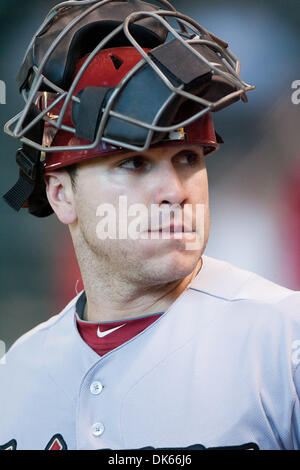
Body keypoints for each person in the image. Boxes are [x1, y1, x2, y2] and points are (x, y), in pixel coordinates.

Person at [1, 0, 299, 451]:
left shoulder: (284, 344)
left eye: (187, 158)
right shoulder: (16, 374)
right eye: (134, 163)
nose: (175, 190)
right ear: (61, 194)